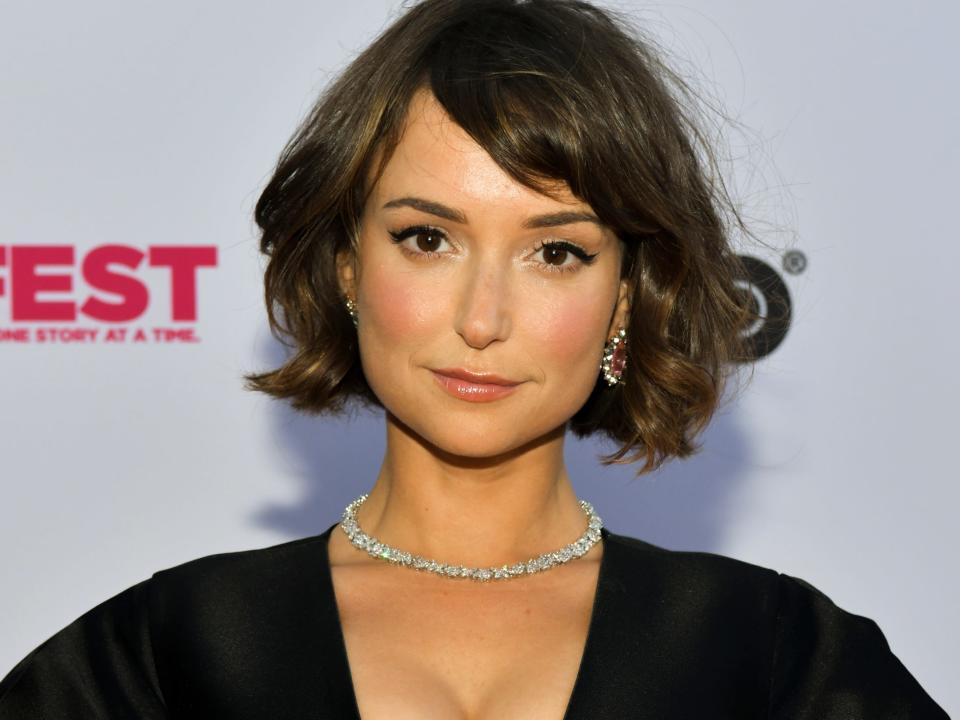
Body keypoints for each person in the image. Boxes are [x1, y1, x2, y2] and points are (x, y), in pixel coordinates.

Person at [0, 0, 949, 718]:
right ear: (345, 265)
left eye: (557, 251)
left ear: (626, 293)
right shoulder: (167, 658)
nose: (483, 318)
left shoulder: (777, 661)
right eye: (426, 239)